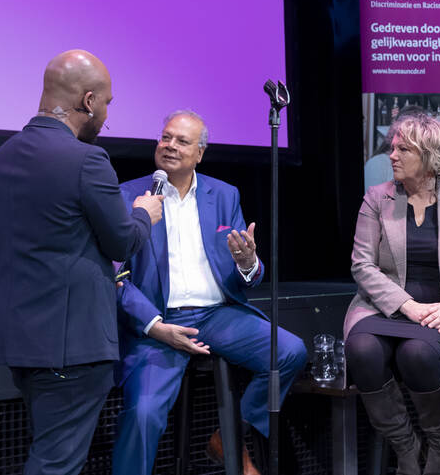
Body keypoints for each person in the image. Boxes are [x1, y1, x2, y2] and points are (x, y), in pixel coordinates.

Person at [0, 50, 164, 475]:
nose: (107, 115)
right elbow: (123, 241)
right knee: (56, 464)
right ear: (89, 101)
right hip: (72, 348)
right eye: (108, 103)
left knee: (51, 454)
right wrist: (144, 213)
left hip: (19, 345)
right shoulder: (87, 160)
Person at [112, 110, 308, 475]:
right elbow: (116, 277)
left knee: (289, 352)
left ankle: (230, 435)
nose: (169, 146)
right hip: (158, 321)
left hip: (216, 315)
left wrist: (248, 262)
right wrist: (155, 326)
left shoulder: (223, 194)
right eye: (165, 137)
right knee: (142, 413)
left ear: (199, 153)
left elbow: (247, 274)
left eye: (181, 141)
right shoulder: (127, 196)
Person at [345, 114, 440, 475]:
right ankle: (407, 448)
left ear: (430, 155)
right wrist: (407, 306)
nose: (392, 156)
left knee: (417, 354)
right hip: (381, 309)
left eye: (403, 149)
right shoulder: (376, 199)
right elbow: (362, 266)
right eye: (392, 147)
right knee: (361, 350)